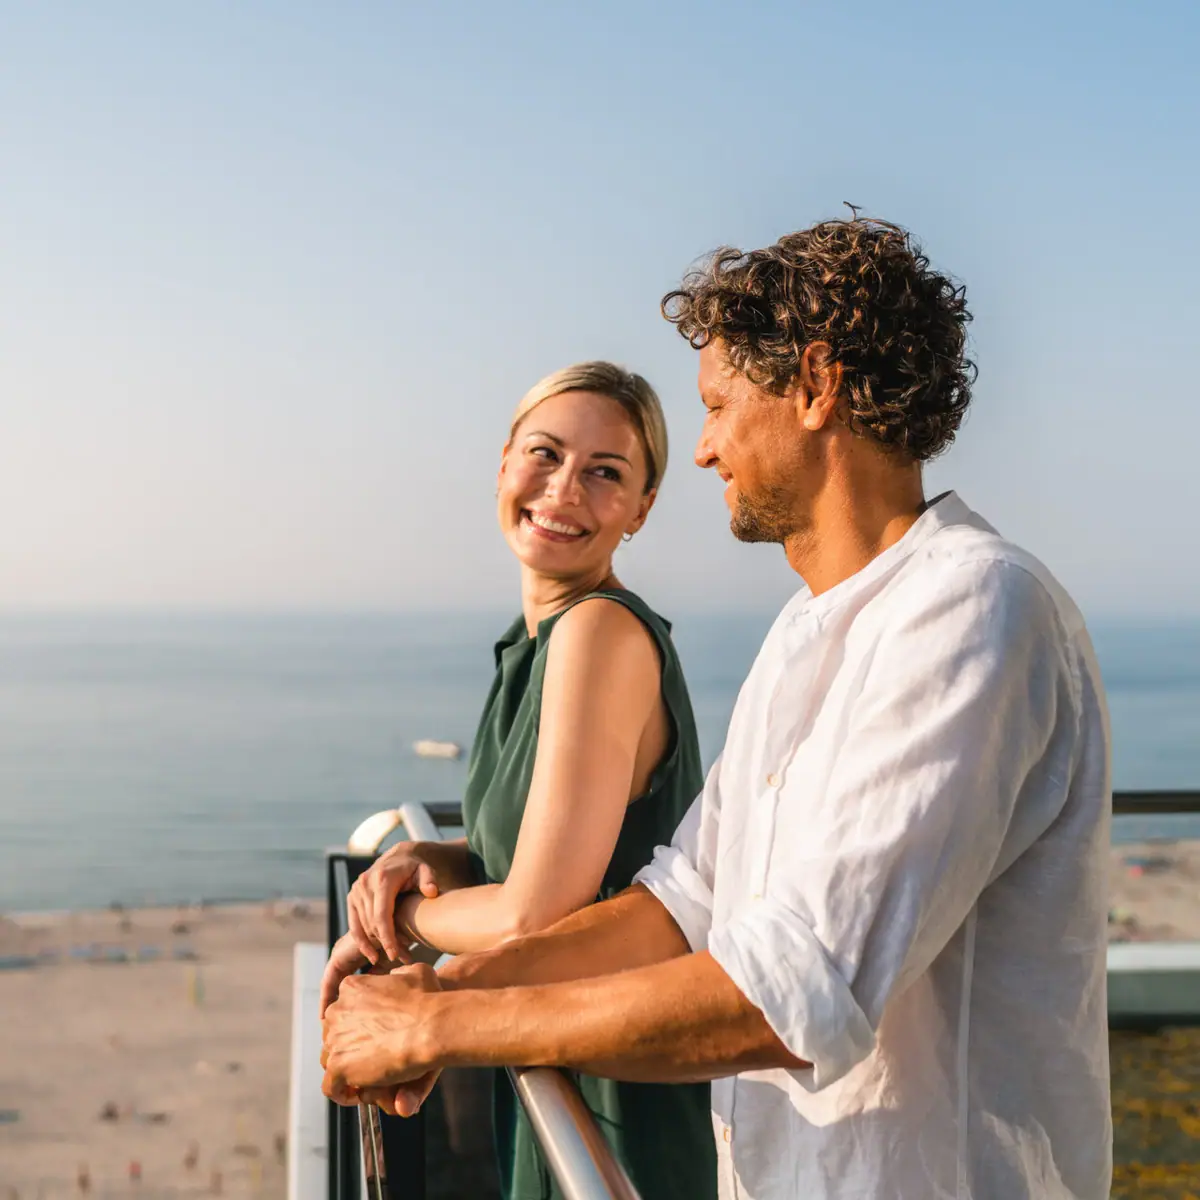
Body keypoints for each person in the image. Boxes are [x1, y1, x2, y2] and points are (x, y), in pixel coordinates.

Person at [322, 219, 1113, 1199]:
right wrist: (441, 991)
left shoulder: (974, 605)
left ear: (816, 387)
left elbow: (791, 993)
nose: (702, 451)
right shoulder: (800, 637)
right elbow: (677, 907)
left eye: (719, 404)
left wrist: (445, 1028)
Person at [320, 362, 717, 1199]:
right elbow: (573, 848)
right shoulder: (532, 643)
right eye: (544, 454)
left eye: (606, 473)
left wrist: (404, 921)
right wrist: (446, 857)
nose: (564, 488)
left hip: (615, 1091)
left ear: (642, 508)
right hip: (547, 1051)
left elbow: (536, 910)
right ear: (503, 464)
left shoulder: (598, 632)